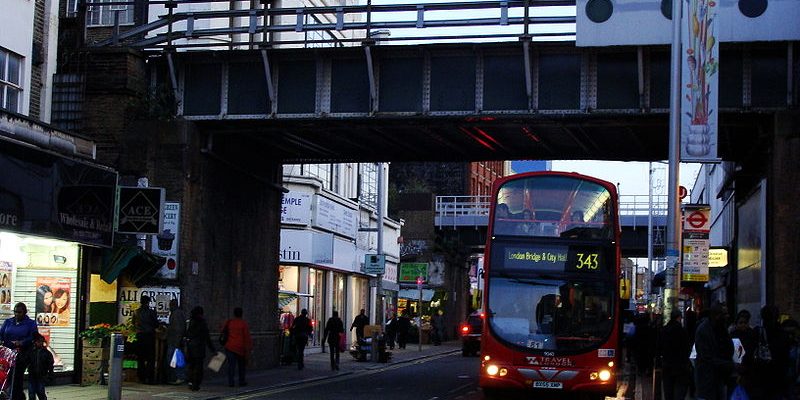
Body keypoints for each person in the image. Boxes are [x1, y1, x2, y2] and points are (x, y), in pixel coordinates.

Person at [694, 303, 734, 400]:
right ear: (717, 315)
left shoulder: (721, 328)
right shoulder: (703, 330)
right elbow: (708, 358)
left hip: (720, 378)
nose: (727, 316)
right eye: (724, 314)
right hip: (708, 380)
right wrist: (730, 365)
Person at [0, 302, 38, 400]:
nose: (17, 314)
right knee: (5, 375)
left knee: (16, 375)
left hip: (21, 353)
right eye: (15, 312)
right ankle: (6, 394)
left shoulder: (30, 323)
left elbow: (33, 337)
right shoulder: (8, 322)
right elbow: (1, 333)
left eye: (19, 312)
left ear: (24, 312)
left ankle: (16, 396)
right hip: (7, 352)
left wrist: (21, 342)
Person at [751, 305, 790, 400]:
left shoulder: (757, 332)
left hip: (760, 378)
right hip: (778, 379)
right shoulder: (783, 334)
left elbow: (747, 353)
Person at [659, 310, 691, 400]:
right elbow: (687, 348)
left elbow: (659, 347)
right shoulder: (682, 331)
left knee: (668, 391)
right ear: (679, 317)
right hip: (680, 366)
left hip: (667, 365)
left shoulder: (664, 330)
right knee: (679, 392)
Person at [185, 306, 215, 391]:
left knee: (191, 366)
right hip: (199, 348)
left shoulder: (190, 321)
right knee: (198, 368)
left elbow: (187, 334)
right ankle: (195, 384)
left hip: (190, 347)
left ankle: (190, 382)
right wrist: (212, 349)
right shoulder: (202, 323)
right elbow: (207, 337)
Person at [728, 309, 757, 395]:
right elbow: (738, 357)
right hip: (738, 372)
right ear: (736, 324)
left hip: (750, 371)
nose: (743, 325)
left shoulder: (752, 334)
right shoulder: (734, 336)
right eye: (741, 323)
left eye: (745, 323)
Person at [222, 307, 252, 387]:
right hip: (240, 348)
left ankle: (231, 382)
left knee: (231, 366)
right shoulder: (243, 324)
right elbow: (247, 337)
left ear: (234, 314)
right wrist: (248, 348)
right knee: (241, 366)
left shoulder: (229, 322)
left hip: (229, 346)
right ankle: (241, 381)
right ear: (241, 314)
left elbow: (223, 331)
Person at [133, 295, 159, 384]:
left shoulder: (136, 312)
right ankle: (150, 378)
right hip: (149, 336)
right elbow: (156, 324)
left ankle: (141, 377)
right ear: (148, 302)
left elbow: (133, 323)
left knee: (140, 358)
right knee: (150, 358)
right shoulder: (151, 312)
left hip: (139, 336)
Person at [165, 299, 186, 385]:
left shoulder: (176, 314)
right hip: (175, 341)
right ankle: (178, 376)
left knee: (174, 360)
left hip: (174, 341)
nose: (169, 307)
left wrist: (177, 342)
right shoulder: (178, 313)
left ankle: (179, 377)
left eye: (170, 305)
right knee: (176, 359)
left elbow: (178, 329)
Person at [27, 332, 54, 400]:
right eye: (38, 342)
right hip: (32, 375)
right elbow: (26, 361)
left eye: (41, 342)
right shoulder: (31, 352)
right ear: (35, 342)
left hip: (41, 375)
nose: (40, 343)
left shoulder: (46, 353)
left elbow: (50, 365)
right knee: (31, 393)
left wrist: (50, 374)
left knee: (40, 392)